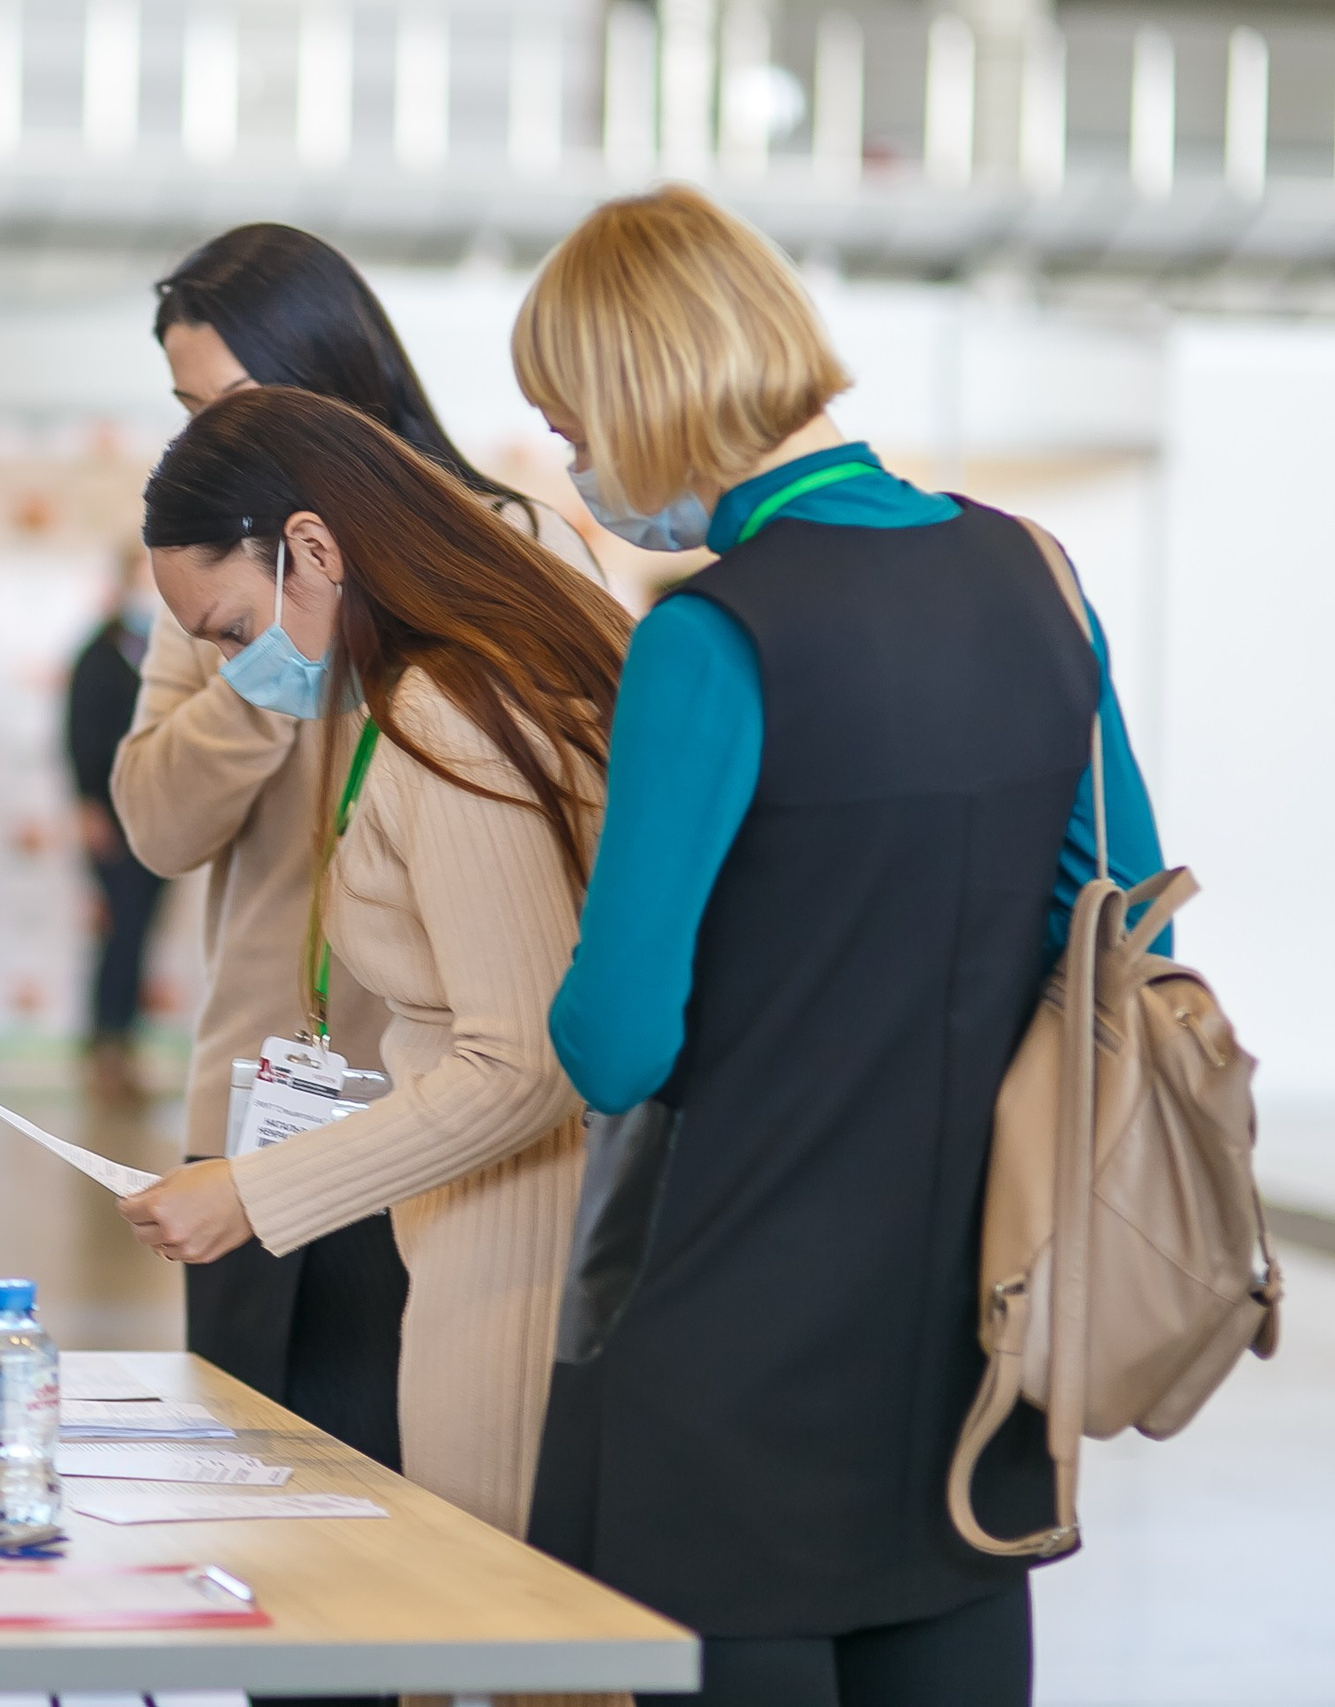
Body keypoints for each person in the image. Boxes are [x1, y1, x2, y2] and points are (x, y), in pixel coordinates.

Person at [514, 185, 1170, 1707]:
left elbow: (618, 1040)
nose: (575, 467)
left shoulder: (714, 635)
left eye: (569, 426)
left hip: (735, 1339)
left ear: (640, 393)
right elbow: (1123, 909)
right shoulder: (1038, 576)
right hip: (976, 1320)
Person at [113, 224, 594, 1475]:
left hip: (446, 1123)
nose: (204, 435)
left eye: (230, 401)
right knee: (260, 1516)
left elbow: (526, 1034)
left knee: (420, 1503)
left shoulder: (498, 565)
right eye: (186, 408)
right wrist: (261, 677)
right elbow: (156, 827)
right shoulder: (219, 593)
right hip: (258, 1113)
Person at [65, 542, 169, 1107]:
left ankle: (125, 1050)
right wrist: (88, 806)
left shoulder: (167, 652)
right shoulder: (99, 653)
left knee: (141, 937)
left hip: (157, 820)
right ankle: (105, 1053)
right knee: (121, 937)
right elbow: (79, 735)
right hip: (112, 821)